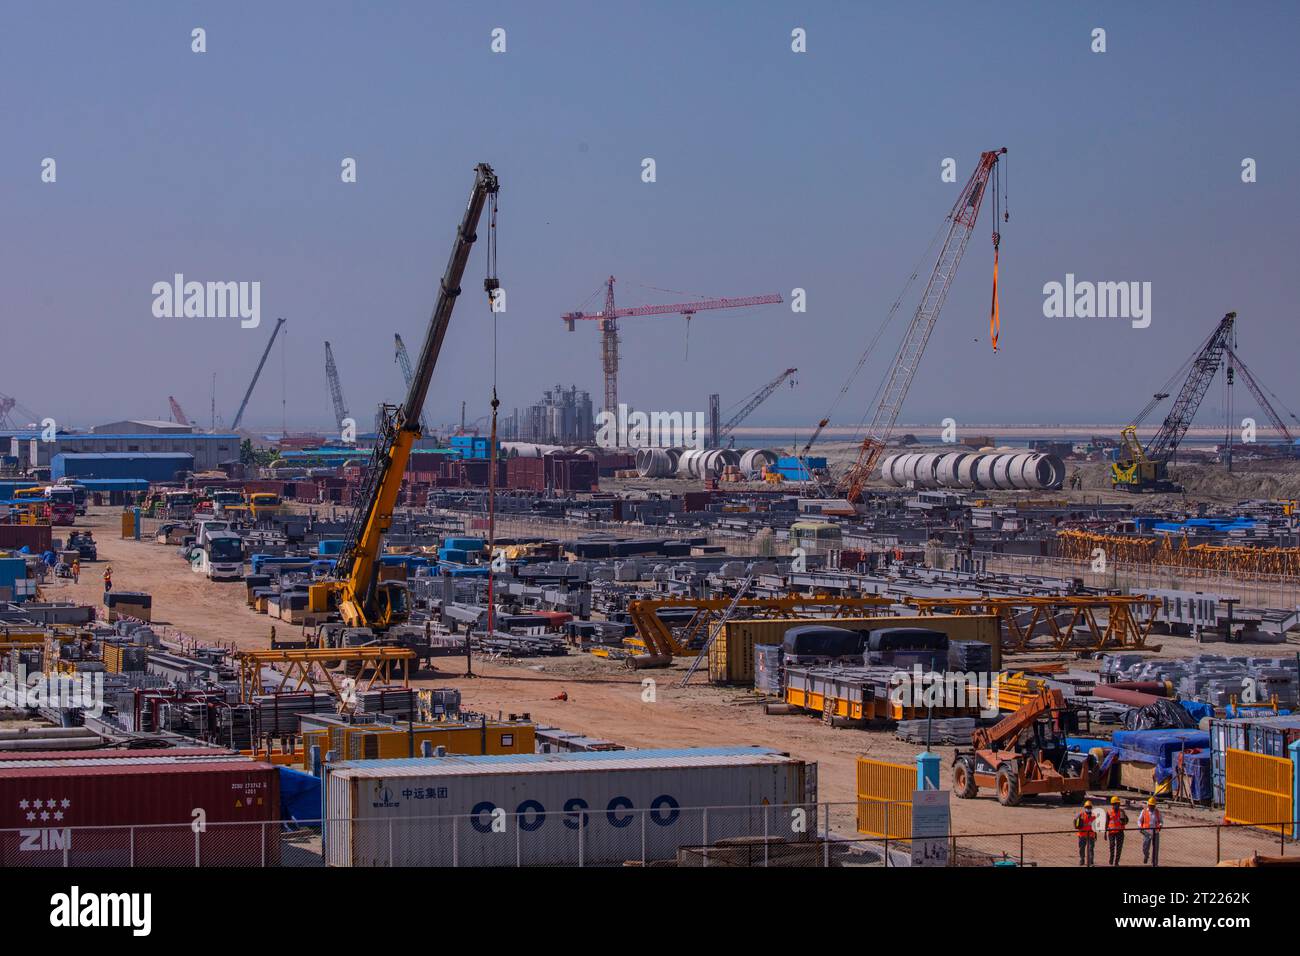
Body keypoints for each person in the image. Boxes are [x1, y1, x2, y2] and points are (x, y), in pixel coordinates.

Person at [1138, 797, 1163, 866]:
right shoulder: (1144, 811)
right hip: (1147, 832)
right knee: (1145, 848)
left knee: (1155, 849)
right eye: (1151, 805)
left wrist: (1160, 825)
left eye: (1153, 805)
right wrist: (1140, 827)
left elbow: (1161, 821)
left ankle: (1154, 863)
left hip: (1156, 832)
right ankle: (1146, 855)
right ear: (1148, 805)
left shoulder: (1157, 812)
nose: (1152, 807)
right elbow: (1139, 821)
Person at [1106, 795, 1129, 865]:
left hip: (1120, 832)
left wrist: (1123, 821)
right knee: (1112, 846)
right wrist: (1104, 833)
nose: (1117, 805)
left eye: (1118, 804)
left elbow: (1126, 821)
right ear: (1112, 804)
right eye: (1115, 804)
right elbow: (1106, 822)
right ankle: (1111, 858)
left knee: (1119, 847)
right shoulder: (1109, 812)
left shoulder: (1122, 812)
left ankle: (1116, 862)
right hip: (1111, 832)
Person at [1074, 800, 1097, 867]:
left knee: (1091, 849)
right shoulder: (1081, 815)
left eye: (1089, 807)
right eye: (1087, 807)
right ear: (1085, 807)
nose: (1088, 808)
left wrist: (1095, 835)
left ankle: (1091, 861)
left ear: (1091, 808)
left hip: (1091, 835)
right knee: (1082, 848)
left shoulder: (1094, 816)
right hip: (1082, 835)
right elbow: (1075, 822)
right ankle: (1082, 860)